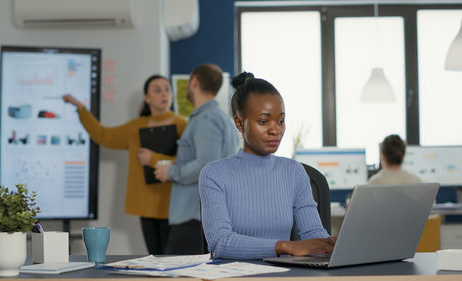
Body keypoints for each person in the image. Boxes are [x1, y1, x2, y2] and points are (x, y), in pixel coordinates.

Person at [199, 72, 335, 259]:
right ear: (239, 123)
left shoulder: (294, 172)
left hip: (284, 275)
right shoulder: (214, 174)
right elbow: (220, 242)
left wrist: (330, 244)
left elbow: (312, 234)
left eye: (280, 121)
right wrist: (283, 247)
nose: (275, 130)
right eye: (264, 121)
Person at [62, 75, 187, 255]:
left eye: (167, 89)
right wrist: (80, 108)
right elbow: (102, 135)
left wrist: (153, 159)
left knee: (174, 260)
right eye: (157, 90)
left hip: (175, 204)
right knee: (155, 259)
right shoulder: (136, 127)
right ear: (147, 97)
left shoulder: (182, 125)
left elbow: (186, 161)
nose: (164, 94)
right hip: (146, 206)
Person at [154, 63, 239, 254]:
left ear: (194, 82)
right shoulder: (221, 118)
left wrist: (171, 172)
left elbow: (205, 165)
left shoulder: (206, 119)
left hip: (193, 217)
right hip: (203, 217)